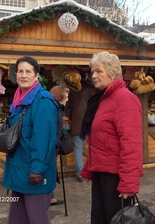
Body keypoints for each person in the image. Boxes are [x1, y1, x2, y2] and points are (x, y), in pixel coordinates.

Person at [80, 51, 144, 224]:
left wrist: (129, 183)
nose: (94, 76)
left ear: (113, 73)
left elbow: (132, 144)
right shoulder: (103, 98)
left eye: (99, 71)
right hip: (102, 172)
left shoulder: (125, 99)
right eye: (92, 72)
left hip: (115, 177)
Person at [2, 56, 58, 224]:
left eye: (28, 71)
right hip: (18, 170)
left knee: (37, 219)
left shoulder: (43, 101)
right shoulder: (18, 99)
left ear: (36, 75)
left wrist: (37, 170)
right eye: (20, 71)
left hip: (34, 173)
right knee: (17, 220)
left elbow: (43, 140)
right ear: (15, 74)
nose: (24, 75)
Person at [66, 75, 97, 182]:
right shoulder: (91, 90)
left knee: (78, 150)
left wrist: (72, 118)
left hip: (76, 124)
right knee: (94, 148)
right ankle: (93, 171)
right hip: (89, 124)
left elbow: (67, 108)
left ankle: (80, 174)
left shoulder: (72, 91)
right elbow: (95, 107)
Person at [49, 85, 70, 206]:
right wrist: (59, 143)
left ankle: (51, 197)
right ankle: (49, 197)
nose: (67, 99)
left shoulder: (55, 108)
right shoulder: (54, 109)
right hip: (53, 145)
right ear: (60, 96)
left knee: (52, 170)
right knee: (51, 170)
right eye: (66, 96)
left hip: (54, 145)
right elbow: (52, 129)